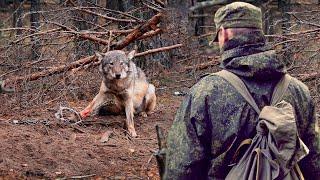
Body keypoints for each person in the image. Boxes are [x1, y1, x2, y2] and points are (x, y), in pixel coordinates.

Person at [163, 2, 320, 179]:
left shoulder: (205, 93)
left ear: (224, 33)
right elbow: (314, 162)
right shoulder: (299, 91)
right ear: (259, 33)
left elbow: (182, 169)